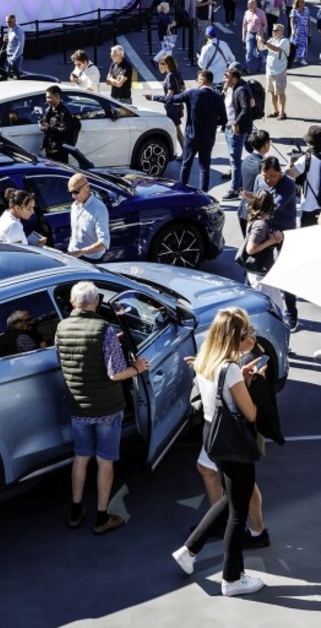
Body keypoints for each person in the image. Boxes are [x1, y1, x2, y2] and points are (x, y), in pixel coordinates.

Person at [172, 308, 266, 598]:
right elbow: (250, 413)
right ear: (236, 336)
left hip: (213, 438)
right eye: (247, 332)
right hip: (235, 443)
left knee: (228, 499)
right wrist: (255, 383)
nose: (250, 336)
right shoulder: (232, 369)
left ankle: (189, 550)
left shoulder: (204, 362)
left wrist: (243, 380)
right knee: (238, 512)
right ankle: (232, 578)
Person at [55, 281, 149, 534]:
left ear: (74, 303)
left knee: (81, 457)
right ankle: (101, 517)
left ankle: (75, 511)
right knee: (105, 460)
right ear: (95, 302)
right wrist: (138, 368)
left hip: (79, 407)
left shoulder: (61, 328)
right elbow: (116, 374)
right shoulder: (103, 329)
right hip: (107, 407)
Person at [250, 155, 299, 329]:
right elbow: (257, 200)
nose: (269, 180)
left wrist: (256, 210)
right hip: (266, 233)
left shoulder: (288, 184)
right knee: (258, 270)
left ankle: (291, 313)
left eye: (273, 176)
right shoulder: (259, 179)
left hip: (284, 234)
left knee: (287, 274)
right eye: (266, 176)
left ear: (280, 172)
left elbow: (274, 207)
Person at [172, 70, 227, 193]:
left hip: (192, 137)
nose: (196, 81)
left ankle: (182, 192)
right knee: (204, 168)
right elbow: (224, 119)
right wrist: (211, 123)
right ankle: (204, 195)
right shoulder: (218, 98)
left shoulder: (192, 93)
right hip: (208, 138)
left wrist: (153, 97)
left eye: (198, 78)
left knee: (186, 165)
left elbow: (172, 98)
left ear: (203, 80)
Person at [243, 191, 284, 312]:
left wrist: (271, 236)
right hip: (261, 276)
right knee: (273, 309)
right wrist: (272, 241)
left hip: (259, 273)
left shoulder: (254, 219)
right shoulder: (260, 225)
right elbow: (250, 249)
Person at [222, 66, 254, 197]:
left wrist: (236, 123)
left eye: (227, 77)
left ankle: (235, 189)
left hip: (237, 129)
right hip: (229, 127)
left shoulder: (241, 90)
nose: (224, 79)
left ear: (234, 79)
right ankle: (240, 183)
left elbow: (246, 109)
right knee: (234, 158)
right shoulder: (229, 88)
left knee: (234, 159)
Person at [144, 53, 185, 154]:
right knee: (177, 129)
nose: (161, 66)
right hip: (177, 105)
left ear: (167, 64)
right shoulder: (177, 73)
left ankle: (181, 152)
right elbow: (183, 88)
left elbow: (169, 95)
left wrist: (153, 97)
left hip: (172, 107)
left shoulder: (170, 75)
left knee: (175, 130)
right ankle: (184, 152)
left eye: (162, 63)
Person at [67, 174, 110, 262]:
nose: (73, 196)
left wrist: (81, 252)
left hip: (91, 260)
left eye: (76, 191)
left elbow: (104, 242)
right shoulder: (74, 206)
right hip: (73, 255)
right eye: (70, 192)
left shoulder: (99, 208)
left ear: (87, 187)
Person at [286, 124, 321, 228]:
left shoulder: (306, 159)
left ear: (309, 143)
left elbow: (291, 174)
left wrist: (289, 163)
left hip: (309, 206)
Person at [238, 129, 271, 236]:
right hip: (255, 213)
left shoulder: (246, 160)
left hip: (243, 210)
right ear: (266, 144)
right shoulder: (263, 166)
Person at [258, 22, 290, 119]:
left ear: (281, 32)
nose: (274, 32)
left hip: (280, 70)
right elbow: (261, 47)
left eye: (276, 30)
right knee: (272, 92)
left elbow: (276, 49)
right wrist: (259, 39)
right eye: (273, 30)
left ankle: (282, 113)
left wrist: (265, 42)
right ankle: (275, 111)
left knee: (280, 93)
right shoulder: (271, 40)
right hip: (270, 70)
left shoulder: (284, 41)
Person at [39, 86, 77, 164]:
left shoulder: (64, 113)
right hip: (49, 148)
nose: (47, 100)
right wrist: (42, 126)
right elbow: (46, 128)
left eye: (49, 97)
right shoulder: (48, 110)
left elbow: (66, 131)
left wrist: (49, 128)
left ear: (57, 96)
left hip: (60, 150)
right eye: (46, 97)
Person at [241, 0, 267, 74]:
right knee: (249, 51)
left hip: (258, 35)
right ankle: (247, 67)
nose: (248, 5)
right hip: (249, 34)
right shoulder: (246, 12)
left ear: (255, 4)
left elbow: (265, 24)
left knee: (259, 52)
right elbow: (244, 24)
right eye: (248, 3)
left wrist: (261, 31)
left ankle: (260, 66)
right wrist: (243, 35)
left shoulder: (261, 13)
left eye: (250, 3)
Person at [290, 0, 311, 66]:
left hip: (304, 30)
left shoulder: (306, 10)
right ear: (297, 3)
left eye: (303, 2)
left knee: (304, 45)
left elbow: (308, 20)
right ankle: (295, 57)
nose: (302, 3)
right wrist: (293, 30)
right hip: (297, 30)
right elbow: (292, 21)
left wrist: (310, 29)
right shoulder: (294, 11)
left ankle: (302, 59)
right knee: (296, 44)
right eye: (301, 2)